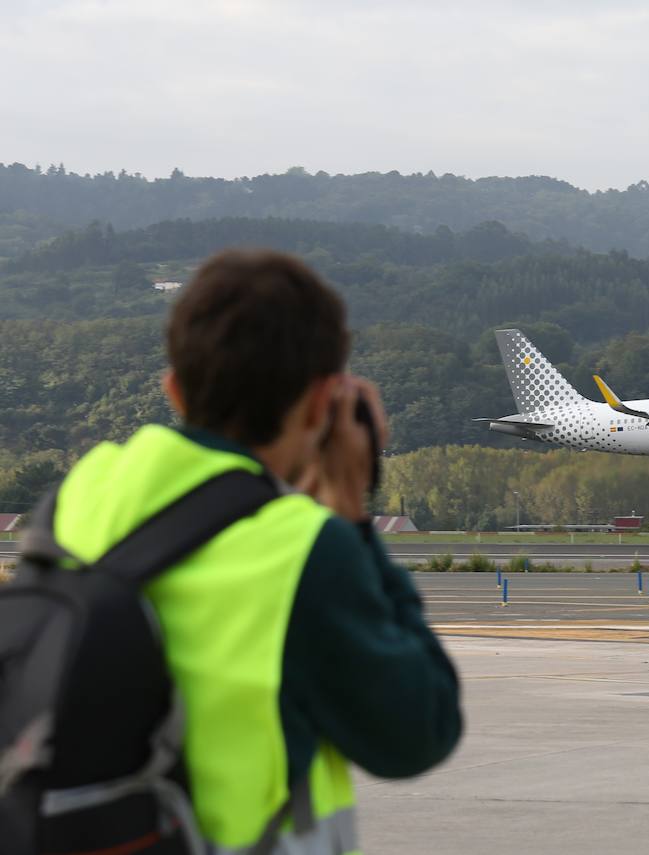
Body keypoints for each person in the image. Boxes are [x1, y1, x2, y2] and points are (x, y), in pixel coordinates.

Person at [48, 249, 462, 852]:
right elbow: (419, 733)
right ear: (323, 404)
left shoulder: (75, 497)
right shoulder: (301, 547)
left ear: (173, 389)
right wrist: (351, 514)